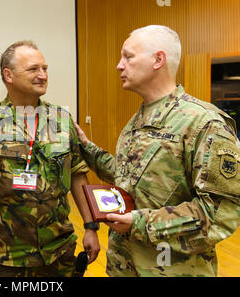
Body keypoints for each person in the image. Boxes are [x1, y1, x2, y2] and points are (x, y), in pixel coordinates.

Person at [74, 25, 240, 277]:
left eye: (128, 56)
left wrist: (140, 222)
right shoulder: (138, 119)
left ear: (158, 60)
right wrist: (88, 149)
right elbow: (129, 178)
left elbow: (219, 213)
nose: (119, 65)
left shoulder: (203, 123)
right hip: (124, 267)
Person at [0, 40, 100, 277]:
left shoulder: (62, 120)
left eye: (45, 68)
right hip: (8, 257)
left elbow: (77, 174)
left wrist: (91, 226)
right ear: (8, 75)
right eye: (33, 69)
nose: (42, 75)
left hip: (60, 252)